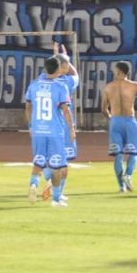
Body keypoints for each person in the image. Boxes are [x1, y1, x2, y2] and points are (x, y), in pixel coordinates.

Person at [25, 57, 75, 207]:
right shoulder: (61, 87)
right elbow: (66, 111)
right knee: (57, 166)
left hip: (38, 130)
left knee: (39, 161)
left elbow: (27, 107)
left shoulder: (33, 86)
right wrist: (71, 129)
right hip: (55, 131)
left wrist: (30, 126)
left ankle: (33, 184)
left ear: (45, 69)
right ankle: (56, 199)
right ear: (59, 69)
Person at [101, 61, 137, 192]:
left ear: (120, 71)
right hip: (129, 121)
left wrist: (111, 118)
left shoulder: (108, 87)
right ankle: (128, 175)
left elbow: (103, 109)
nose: (113, 72)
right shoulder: (134, 86)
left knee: (118, 155)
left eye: (115, 70)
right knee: (134, 152)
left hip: (115, 122)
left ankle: (121, 186)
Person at [41, 44, 79, 202]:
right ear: (63, 66)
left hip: (46, 124)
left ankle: (48, 177)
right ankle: (58, 191)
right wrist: (65, 58)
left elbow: (47, 71)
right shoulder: (67, 82)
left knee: (49, 159)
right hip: (63, 124)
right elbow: (75, 74)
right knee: (64, 163)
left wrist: (55, 57)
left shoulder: (41, 80)